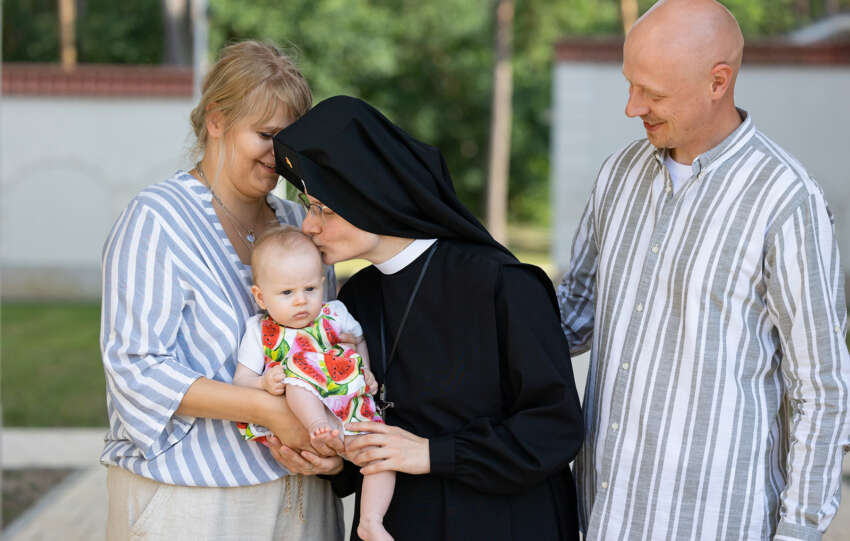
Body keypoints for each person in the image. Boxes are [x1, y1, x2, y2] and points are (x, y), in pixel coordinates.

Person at [556, 1, 850, 539]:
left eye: (653, 93)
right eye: (630, 84)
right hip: (600, 515)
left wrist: (799, 531)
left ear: (718, 82)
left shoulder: (786, 201)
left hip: (714, 522)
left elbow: (823, 389)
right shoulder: (618, 175)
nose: (631, 107)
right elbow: (573, 315)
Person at [271, 95, 584, 541]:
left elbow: (555, 428)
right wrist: (334, 462)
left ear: (371, 198)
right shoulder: (352, 300)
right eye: (309, 207)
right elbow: (362, 424)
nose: (308, 226)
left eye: (325, 209)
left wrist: (434, 454)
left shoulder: (504, 285)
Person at [100, 40, 345, 540]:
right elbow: (135, 367)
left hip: (303, 499)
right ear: (216, 120)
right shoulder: (157, 218)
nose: (279, 155)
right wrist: (268, 409)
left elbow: (328, 345)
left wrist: (330, 447)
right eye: (266, 135)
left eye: (289, 140)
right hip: (190, 502)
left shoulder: (302, 225)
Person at [232, 226, 396, 541]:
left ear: (322, 283)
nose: (301, 301)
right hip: (305, 419)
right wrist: (264, 382)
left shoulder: (335, 314)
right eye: (286, 293)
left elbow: (359, 339)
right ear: (260, 296)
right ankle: (318, 425)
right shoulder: (259, 331)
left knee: (381, 454)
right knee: (296, 373)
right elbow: (241, 381)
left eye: (309, 289)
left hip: (349, 409)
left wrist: (366, 371)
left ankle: (371, 520)